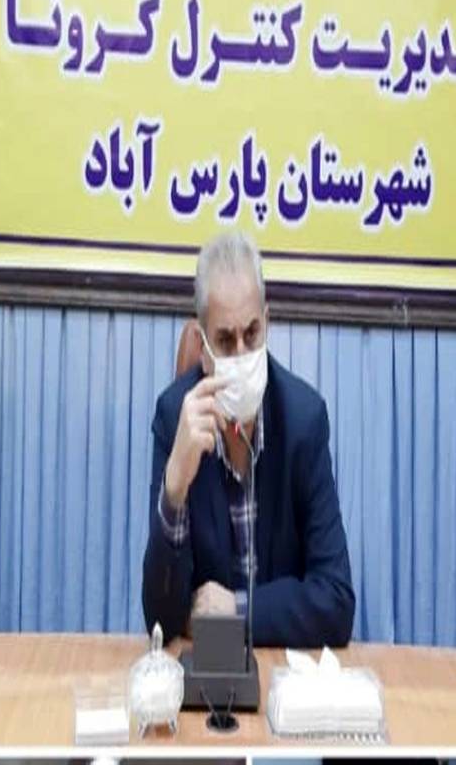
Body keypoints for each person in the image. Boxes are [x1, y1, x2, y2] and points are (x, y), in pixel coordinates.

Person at [142, 230, 355, 648]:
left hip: (286, 671)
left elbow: (336, 600)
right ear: (203, 347)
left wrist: (238, 610)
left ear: (267, 322)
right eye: (225, 340)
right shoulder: (174, 419)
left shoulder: (304, 420)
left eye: (252, 334)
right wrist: (174, 489)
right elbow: (161, 620)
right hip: (206, 670)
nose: (242, 354)